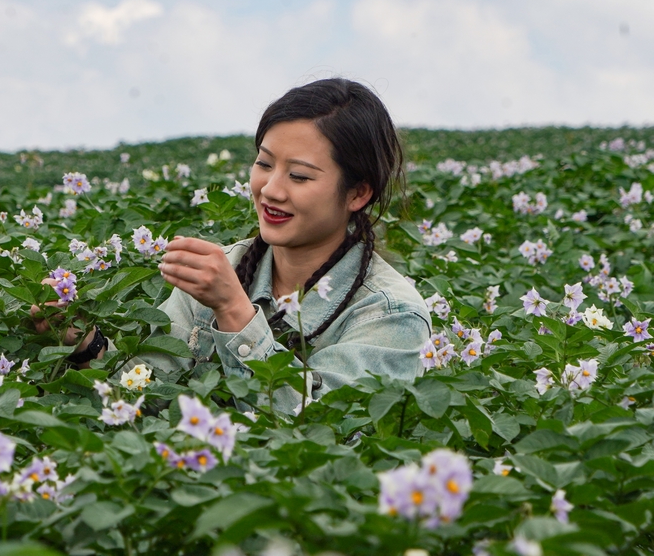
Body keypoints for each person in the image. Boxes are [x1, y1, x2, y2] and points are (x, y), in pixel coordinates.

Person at [37, 78, 431, 412]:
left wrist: (234, 310)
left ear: (358, 193)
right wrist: (83, 345)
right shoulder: (226, 266)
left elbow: (321, 429)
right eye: (264, 164)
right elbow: (144, 394)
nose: (270, 190)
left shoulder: (390, 315)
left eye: (299, 176)